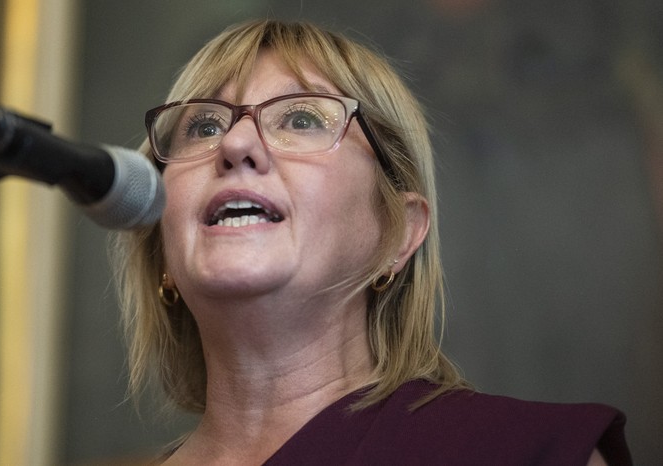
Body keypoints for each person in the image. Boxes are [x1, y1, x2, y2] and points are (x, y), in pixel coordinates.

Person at [113, 19, 631, 465]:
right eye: (203, 126)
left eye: (301, 118)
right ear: (161, 244)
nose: (235, 143)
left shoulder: (531, 454)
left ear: (397, 234)